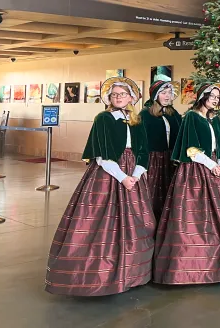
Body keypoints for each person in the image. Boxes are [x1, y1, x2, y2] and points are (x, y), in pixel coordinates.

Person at [45, 77, 155, 296]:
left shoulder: (136, 120)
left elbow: (143, 150)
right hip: (109, 173)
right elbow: (103, 156)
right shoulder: (104, 118)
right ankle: (99, 275)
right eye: (114, 95)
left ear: (131, 97)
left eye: (122, 94)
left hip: (133, 172)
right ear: (109, 98)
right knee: (101, 221)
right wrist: (123, 177)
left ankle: (133, 272)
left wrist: (136, 173)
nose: (118, 98)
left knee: (137, 220)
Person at [154, 83, 220, 284]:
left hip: (215, 167)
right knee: (193, 215)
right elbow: (190, 148)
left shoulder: (215, 119)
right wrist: (211, 164)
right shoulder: (191, 117)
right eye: (211, 96)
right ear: (202, 97)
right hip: (196, 169)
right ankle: (193, 265)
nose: (215, 99)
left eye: (217, 97)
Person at [139, 80, 183, 219]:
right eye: (164, 93)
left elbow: (181, 134)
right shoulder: (145, 114)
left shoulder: (173, 113)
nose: (167, 96)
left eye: (169, 93)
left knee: (169, 191)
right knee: (153, 191)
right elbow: (141, 141)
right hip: (154, 159)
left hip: (170, 158)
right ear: (156, 95)